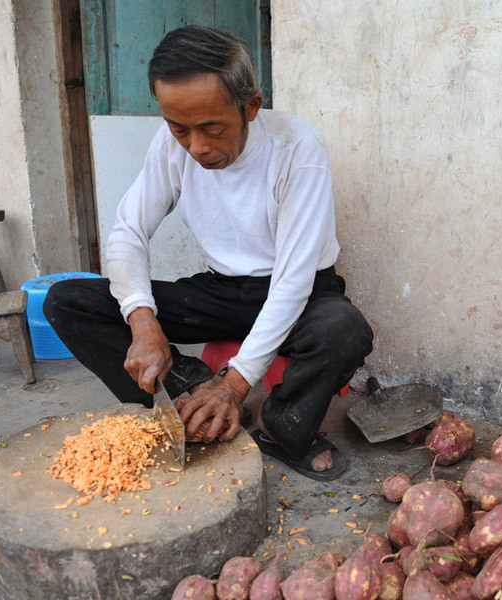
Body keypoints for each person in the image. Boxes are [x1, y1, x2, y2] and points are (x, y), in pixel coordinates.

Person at [44, 24, 373, 481]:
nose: (197, 147)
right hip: (221, 290)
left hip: (302, 292)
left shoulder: (298, 148)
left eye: (212, 128)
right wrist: (142, 320)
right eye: (179, 129)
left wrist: (236, 385)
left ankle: (282, 428)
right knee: (67, 300)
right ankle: (189, 399)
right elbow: (127, 232)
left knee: (344, 329)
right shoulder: (171, 146)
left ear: (251, 107)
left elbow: (294, 280)